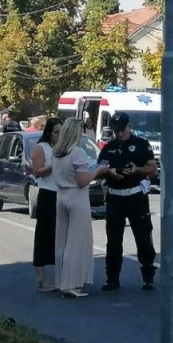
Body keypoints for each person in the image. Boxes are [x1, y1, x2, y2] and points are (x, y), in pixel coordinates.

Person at [97, 111, 158, 291]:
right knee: (113, 240)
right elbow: (99, 168)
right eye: (116, 131)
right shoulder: (109, 147)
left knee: (143, 237)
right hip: (115, 196)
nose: (120, 133)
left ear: (129, 127)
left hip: (136, 196)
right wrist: (109, 172)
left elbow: (152, 169)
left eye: (122, 129)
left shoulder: (141, 144)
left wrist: (136, 170)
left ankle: (148, 276)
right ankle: (112, 278)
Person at [52, 118, 112, 298]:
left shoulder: (56, 152)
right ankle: (71, 283)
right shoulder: (77, 153)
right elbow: (82, 180)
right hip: (77, 198)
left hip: (61, 195)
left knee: (62, 241)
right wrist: (99, 171)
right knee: (77, 243)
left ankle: (61, 280)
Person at [31, 118, 62, 292]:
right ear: (49, 132)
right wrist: (52, 166)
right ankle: (41, 279)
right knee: (44, 235)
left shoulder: (63, 149)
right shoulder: (41, 148)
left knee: (61, 235)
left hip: (62, 193)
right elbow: (37, 171)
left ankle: (62, 276)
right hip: (47, 194)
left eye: (61, 132)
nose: (59, 136)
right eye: (56, 132)